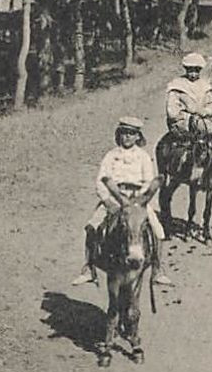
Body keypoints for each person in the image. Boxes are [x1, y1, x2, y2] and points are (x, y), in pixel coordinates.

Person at [73, 116, 172, 287]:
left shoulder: (143, 156)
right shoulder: (111, 156)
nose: (127, 137)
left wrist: (138, 201)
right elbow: (101, 180)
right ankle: (89, 268)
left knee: (158, 230)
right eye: (124, 133)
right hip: (115, 198)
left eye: (132, 134)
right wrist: (107, 200)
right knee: (91, 226)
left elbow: (149, 181)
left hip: (137, 201)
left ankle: (157, 269)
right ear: (119, 135)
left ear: (138, 137)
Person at [164, 52, 212, 175]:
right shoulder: (177, 85)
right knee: (195, 139)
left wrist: (205, 111)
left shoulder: (205, 85)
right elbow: (172, 110)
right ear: (185, 70)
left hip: (202, 120)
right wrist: (187, 116)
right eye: (190, 70)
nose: (193, 74)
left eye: (196, 71)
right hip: (182, 122)